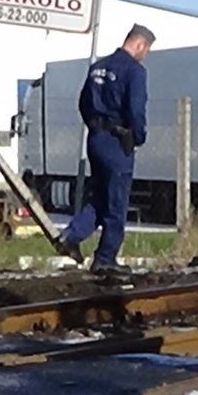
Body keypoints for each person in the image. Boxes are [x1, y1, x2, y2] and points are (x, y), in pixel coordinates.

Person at [58, 24, 153, 271]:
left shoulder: (97, 67)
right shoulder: (135, 71)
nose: (145, 55)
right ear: (140, 44)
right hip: (117, 141)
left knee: (101, 196)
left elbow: (83, 103)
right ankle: (105, 258)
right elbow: (136, 109)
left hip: (96, 138)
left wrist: (95, 126)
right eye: (146, 50)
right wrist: (137, 137)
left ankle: (71, 235)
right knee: (116, 202)